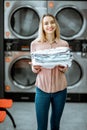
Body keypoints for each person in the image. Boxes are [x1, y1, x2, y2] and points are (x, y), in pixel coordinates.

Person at [30, 14, 69, 130]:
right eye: (46, 23)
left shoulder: (64, 44)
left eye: (52, 22)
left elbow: (66, 65)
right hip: (42, 90)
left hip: (60, 90)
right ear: (42, 26)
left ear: (56, 25)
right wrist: (34, 68)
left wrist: (64, 68)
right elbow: (33, 67)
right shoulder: (35, 44)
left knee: (55, 125)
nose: (49, 25)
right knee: (41, 127)